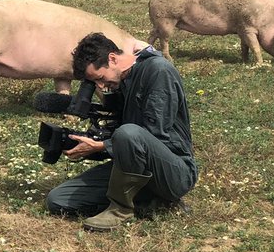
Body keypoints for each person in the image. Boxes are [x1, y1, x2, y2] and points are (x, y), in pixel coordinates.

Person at [45, 32, 197, 231]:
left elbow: (153, 134)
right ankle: (151, 200)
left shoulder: (158, 71)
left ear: (112, 58)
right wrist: (90, 143)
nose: (100, 86)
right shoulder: (122, 81)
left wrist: (102, 145)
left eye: (100, 78)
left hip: (174, 170)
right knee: (58, 200)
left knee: (129, 133)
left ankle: (121, 208)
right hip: (132, 165)